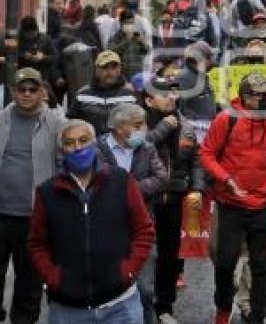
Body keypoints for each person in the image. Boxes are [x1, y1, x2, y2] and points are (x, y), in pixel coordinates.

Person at [27, 119, 155, 322]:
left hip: (120, 307)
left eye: (83, 140)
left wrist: (128, 270)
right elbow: (36, 243)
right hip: (67, 310)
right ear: (62, 150)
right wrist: (53, 277)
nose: (77, 147)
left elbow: (144, 230)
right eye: (70, 142)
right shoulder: (47, 192)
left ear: (94, 143)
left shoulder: (121, 181)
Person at [200, 73, 266, 324]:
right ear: (246, 97)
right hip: (230, 204)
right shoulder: (226, 119)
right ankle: (223, 307)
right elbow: (207, 154)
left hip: (263, 205)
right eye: (261, 95)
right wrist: (226, 179)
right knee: (224, 264)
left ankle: (258, 315)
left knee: (260, 266)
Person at [0, 68, 65, 323]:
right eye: (22, 89)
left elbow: (65, 165)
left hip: (35, 216)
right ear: (13, 92)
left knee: (29, 284)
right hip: (1, 214)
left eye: (32, 89)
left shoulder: (56, 123)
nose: (27, 94)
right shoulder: (1, 118)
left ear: (42, 92)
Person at [96, 103, 168, 324]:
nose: (144, 129)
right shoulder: (98, 149)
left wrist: (130, 189)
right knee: (110, 290)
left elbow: (161, 178)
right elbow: (98, 182)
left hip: (141, 228)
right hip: (106, 231)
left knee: (145, 290)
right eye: (138, 125)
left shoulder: (147, 148)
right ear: (119, 127)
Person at [143, 76, 204, 323]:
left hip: (175, 199)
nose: (171, 97)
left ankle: (164, 307)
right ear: (149, 100)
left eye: (173, 93)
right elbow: (140, 147)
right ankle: (142, 305)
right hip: (146, 199)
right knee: (146, 255)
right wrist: (164, 127)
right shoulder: (140, 122)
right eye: (164, 94)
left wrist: (198, 187)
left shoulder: (186, 125)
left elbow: (197, 160)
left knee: (170, 256)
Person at [69, 50, 138, 136]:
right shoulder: (82, 94)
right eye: (105, 67)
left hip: (122, 145)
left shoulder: (130, 95)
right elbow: (71, 123)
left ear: (119, 69)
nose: (109, 72)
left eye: (113, 67)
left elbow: (138, 124)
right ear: (97, 70)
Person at [109, 11, 151, 78]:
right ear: (121, 23)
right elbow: (112, 52)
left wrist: (142, 42)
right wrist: (127, 40)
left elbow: (147, 51)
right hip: (122, 75)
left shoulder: (136, 35)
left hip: (137, 74)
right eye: (127, 22)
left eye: (131, 22)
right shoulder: (116, 37)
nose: (129, 25)